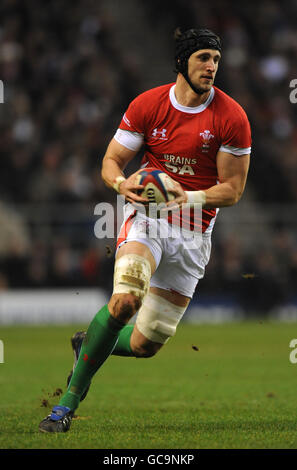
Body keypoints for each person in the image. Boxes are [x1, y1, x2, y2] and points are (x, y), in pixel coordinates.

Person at [39, 27, 251, 433]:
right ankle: (66, 405)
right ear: (182, 62)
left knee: (145, 344)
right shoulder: (148, 105)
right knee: (124, 302)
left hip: (193, 231)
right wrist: (122, 185)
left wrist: (184, 198)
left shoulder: (232, 116)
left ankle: (89, 344)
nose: (212, 66)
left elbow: (233, 190)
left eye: (217, 60)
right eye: (204, 57)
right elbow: (111, 161)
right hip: (148, 219)